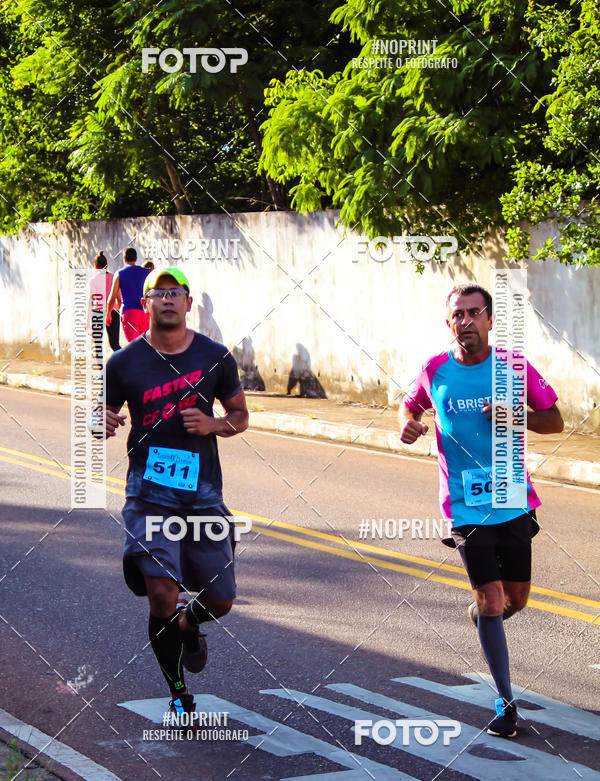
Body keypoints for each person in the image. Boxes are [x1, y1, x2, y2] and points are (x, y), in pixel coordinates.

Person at [399, 283, 563, 738]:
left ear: (490, 320)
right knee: (491, 599)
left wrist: (515, 415)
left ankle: (484, 616)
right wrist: (408, 425)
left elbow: (555, 421)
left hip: (511, 497)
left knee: (516, 599)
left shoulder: (513, 366)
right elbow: (408, 406)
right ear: (448, 322)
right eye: (459, 314)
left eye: (475, 313)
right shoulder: (434, 370)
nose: (466, 321)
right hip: (464, 505)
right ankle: (506, 703)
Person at [102, 267, 248, 721]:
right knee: (162, 593)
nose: (167, 299)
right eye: (158, 292)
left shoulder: (215, 357)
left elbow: (240, 415)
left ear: (188, 302)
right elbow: (99, 413)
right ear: (144, 303)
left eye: (175, 292)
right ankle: (179, 694)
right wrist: (97, 421)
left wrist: (214, 424)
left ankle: (189, 623)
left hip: (202, 496)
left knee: (220, 600)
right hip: (148, 496)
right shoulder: (123, 363)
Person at [106, 248, 150, 342]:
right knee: (146, 345)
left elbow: (112, 297)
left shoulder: (119, 274)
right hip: (145, 313)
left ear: (124, 258)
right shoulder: (147, 272)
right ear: (136, 259)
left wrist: (108, 314)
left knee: (133, 347)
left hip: (129, 314)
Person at [89, 251, 121, 361]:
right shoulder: (114, 278)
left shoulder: (93, 280)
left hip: (98, 312)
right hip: (113, 311)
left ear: (95, 266)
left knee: (97, 344)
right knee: (115, 344)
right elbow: (119, 298)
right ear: (107, 265)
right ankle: (124, 366)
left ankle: (101, 370)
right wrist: (116, 309)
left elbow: (92, 300)